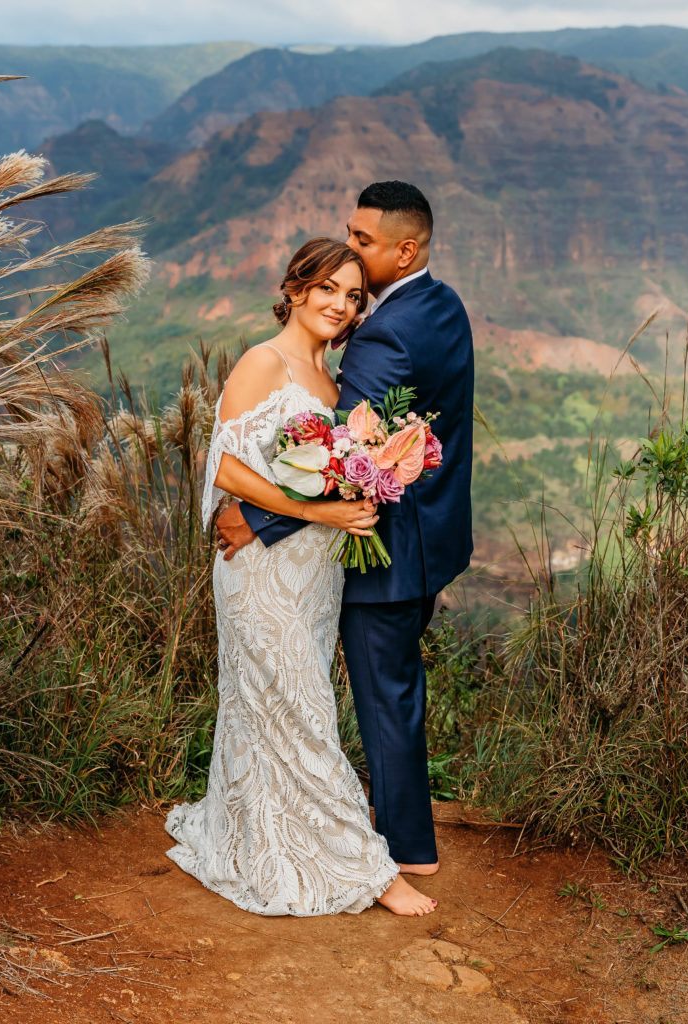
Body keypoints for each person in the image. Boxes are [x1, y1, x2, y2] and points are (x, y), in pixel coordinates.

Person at [165, 237, 437, 917]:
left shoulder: (339, 385)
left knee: (283, 706)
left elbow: (337, 469)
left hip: (318, 573)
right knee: (304, 710)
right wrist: (322, 509)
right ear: (294, 288)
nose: (341, 306)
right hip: (261, 573)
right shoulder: (265, 362)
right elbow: (224, 471)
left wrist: (364, 487)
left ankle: (258, 836)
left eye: (353, 297)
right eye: (327, 290)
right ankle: (371, 873)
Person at [218, 181, 475, 878]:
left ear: (405, 248)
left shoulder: (386, 330)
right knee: (388, 693)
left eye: (363, 242)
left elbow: (350, 448)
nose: (353, 251)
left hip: (380, 553)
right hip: (431, 543)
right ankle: (370, 832)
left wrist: (257, 515)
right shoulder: (442, 303)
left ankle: (400, 852)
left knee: (379, 698)